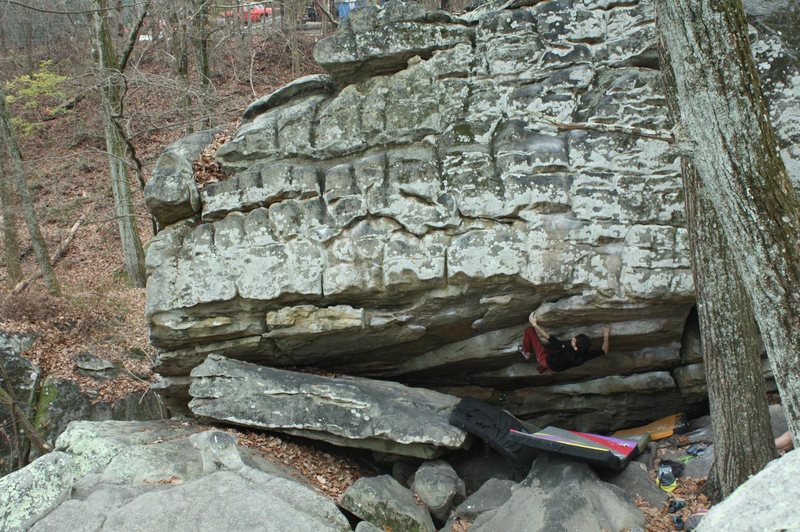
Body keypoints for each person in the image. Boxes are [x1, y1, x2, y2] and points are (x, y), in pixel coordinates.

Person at [519, 312, 610, 373]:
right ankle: (542, 368)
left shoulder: (567, 350)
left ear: (576, 348)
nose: (573, 338)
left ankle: (525, 352)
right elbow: (604, 350)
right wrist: (606, 334)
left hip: (546, 359)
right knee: (551, 351)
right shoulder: (584, 356)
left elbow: (548, 337)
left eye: (574, 340)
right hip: (558, 367)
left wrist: (534, 324)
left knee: (530, 330)